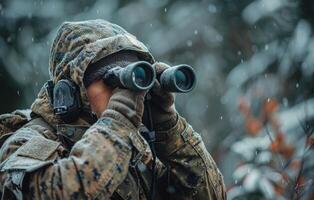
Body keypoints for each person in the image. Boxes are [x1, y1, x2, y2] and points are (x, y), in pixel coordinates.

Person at [0, 19, 226, 200]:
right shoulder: (30, 141)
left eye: (129, 77)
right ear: (71, 90)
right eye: (110, 79)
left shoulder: (134, 146)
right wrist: (118, 121)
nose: (123, 91)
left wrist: (168, 127)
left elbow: (210, 195)